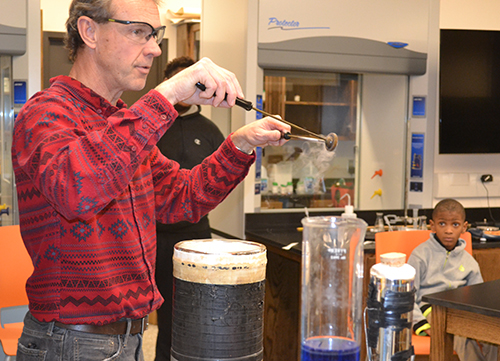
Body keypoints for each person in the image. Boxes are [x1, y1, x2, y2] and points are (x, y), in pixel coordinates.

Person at [11, 0, 290, 359]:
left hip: (129, 340)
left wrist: (240, 144)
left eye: (154, 35)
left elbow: (183, 197)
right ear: (89, 31)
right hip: (69, 343)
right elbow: (77, 192)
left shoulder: (122, 123)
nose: (155, 48)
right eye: (138, 32)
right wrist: (167, 95)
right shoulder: (46, 113)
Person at [154, 56, 225, 361]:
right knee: (156, 314)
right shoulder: (150, 125)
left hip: (197, 237)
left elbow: (221, 181)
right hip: (154, 237)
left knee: (191, 314)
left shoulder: (209, 130)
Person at [408, 198, 497, 361]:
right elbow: (407, 296)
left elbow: (478, 296)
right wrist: (421, 324)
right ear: (432, 225)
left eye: (455, 225)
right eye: (442, 224)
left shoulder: (470, 262)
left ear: (464, 227)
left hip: (461, 311)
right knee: (463, 336)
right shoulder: (420, 256)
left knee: (491, 335)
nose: (448, 230)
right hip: (432, 310)